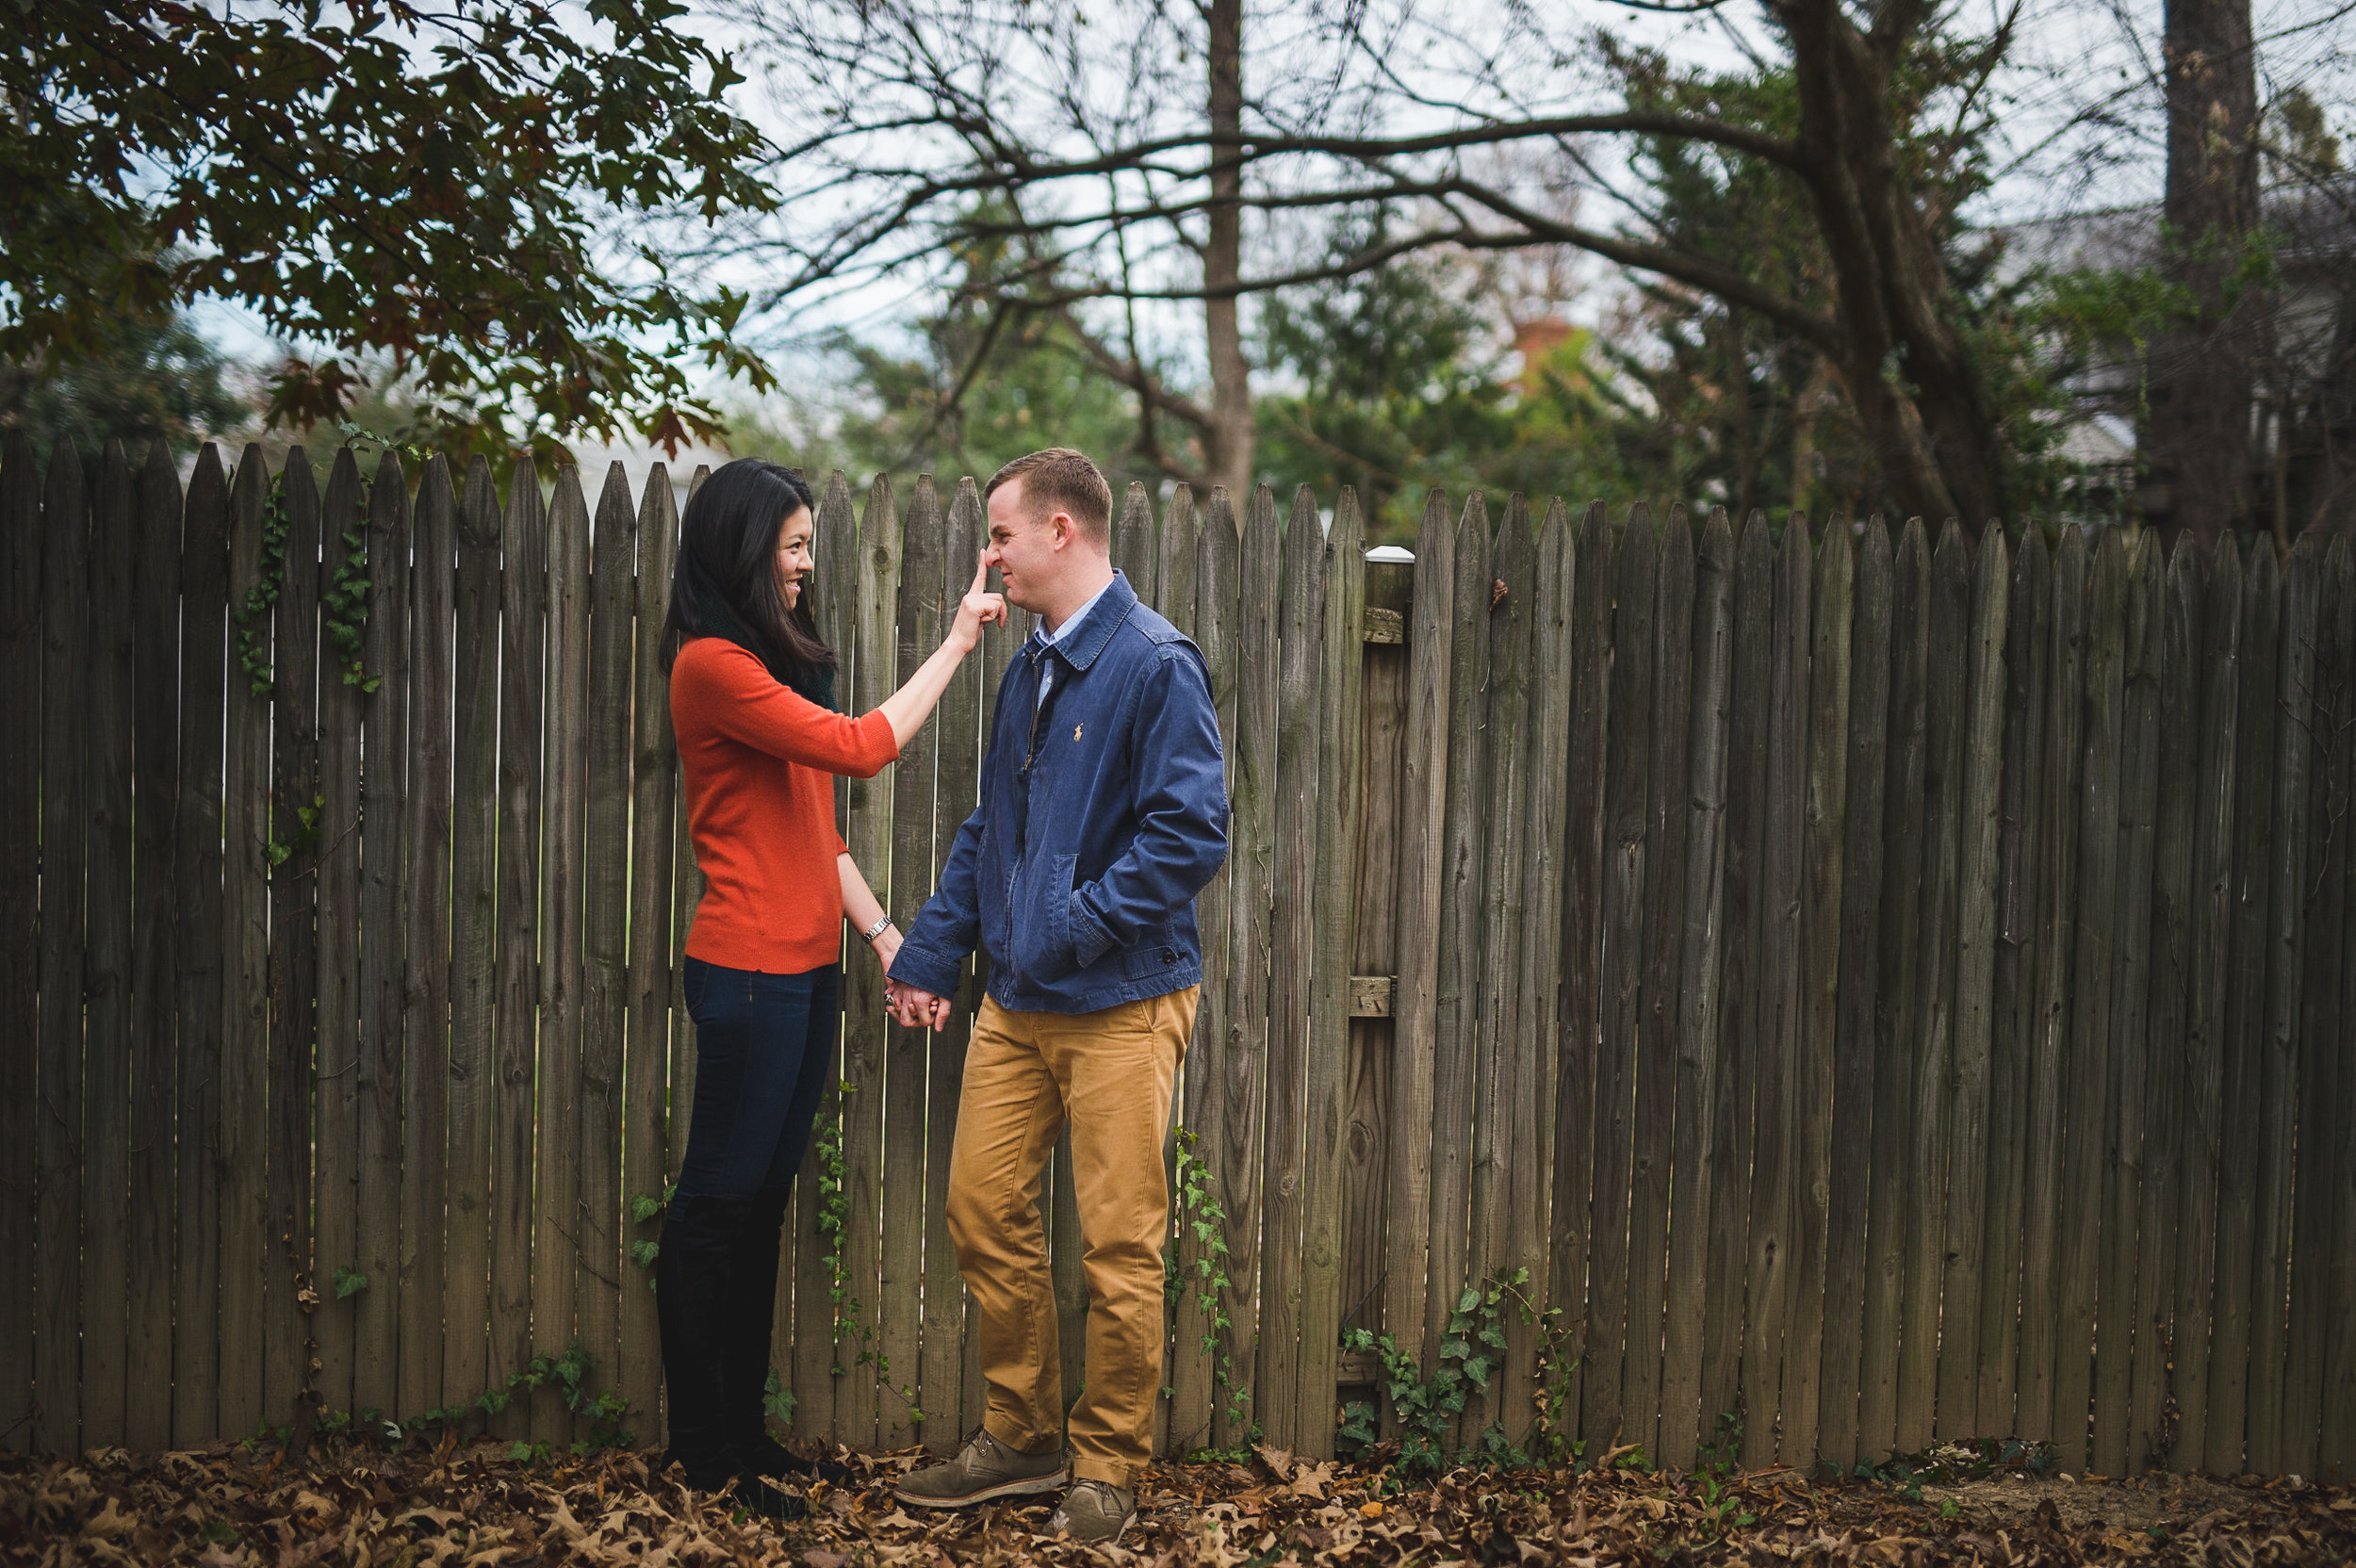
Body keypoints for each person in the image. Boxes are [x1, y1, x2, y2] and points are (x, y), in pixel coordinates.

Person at [884, 449, 1228, 1545]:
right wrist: (933, 954)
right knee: (982, 1206)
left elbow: (1192, 832)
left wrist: (1072, 923)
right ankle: (1024, 1433)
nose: (989, 556)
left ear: (1062, 531)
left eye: (999, 535)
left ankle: (1110, 1462)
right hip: (1017, 1005)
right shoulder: (1028, 668)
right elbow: (992, 829)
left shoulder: (1155, 662)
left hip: (1122, 1001)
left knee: (1120, 1243)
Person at [658, 458, 1005, 1520]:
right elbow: (865, 750)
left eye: (809, 545)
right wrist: (954, 643)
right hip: (746, 972)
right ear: (743, 548)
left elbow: (817, 832)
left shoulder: (766, 663)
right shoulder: (712, 666)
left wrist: (891, 942)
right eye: (794, 545)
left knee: (760, 1209)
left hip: (801, 972)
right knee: (714, 1210)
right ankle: (704, 1452)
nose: (807, 564)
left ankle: (741, 1436)